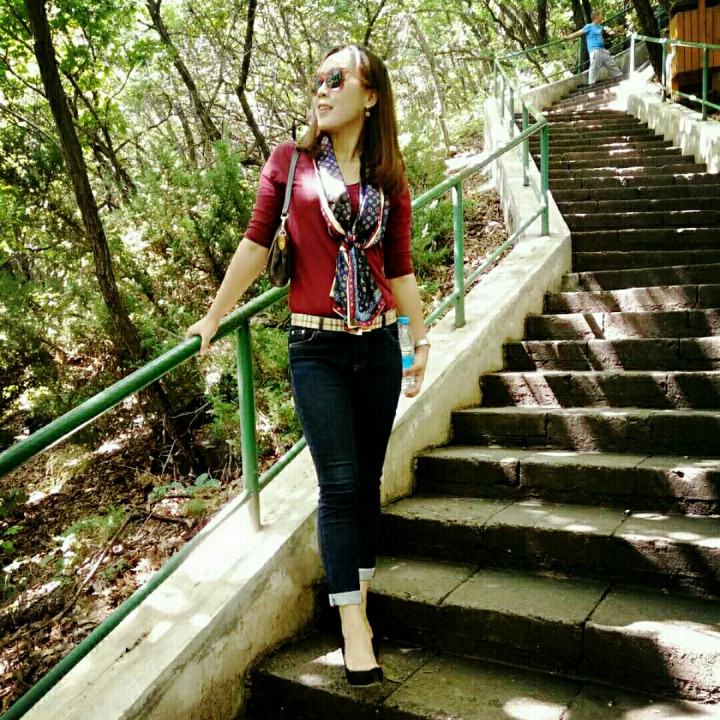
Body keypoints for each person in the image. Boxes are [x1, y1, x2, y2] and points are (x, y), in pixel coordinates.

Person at [185, 44, 429, 687]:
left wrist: (419, 339)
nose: (321, 89)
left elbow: (400, 266)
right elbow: (255, 243)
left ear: (370, 96)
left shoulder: (388, 177)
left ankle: (358, 599)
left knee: (367, 481)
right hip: (316, 348)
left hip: (378, 345)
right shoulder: (288, 162)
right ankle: (353, 627)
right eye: (317, 79)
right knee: (340, 484)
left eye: (336, 78)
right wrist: (214, 315)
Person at [565, 10, 623, 86]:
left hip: (602, 49)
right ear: (597, 17)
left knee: (611, 63)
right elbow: (579, 33)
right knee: (594, 66)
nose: (602, 17)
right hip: (594, 50)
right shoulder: (589, 26)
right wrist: (568, 37)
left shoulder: (600, 27)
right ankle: (592, 84)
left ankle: (619, 76)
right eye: (600, 16)